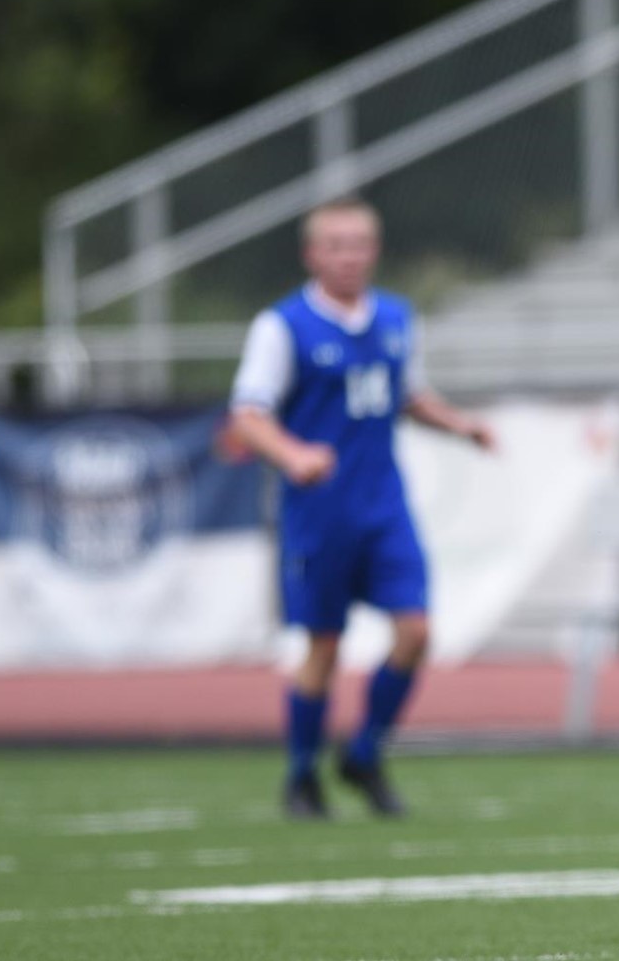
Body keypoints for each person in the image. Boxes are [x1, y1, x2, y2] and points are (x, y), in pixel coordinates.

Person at [230, 196, 494, 819]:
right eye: (335, 245)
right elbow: (248, 414)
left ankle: (365, 752)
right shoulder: (283, 326)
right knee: (323, 646)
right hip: (318, 513)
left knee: (416, 631)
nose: (348, 257)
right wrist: (293, 454)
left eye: (358, 245)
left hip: (384, 506)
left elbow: (407, 397)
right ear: (311, 254)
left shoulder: (397, 318)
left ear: (374, 251)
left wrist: (460, 426)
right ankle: (302, 776)